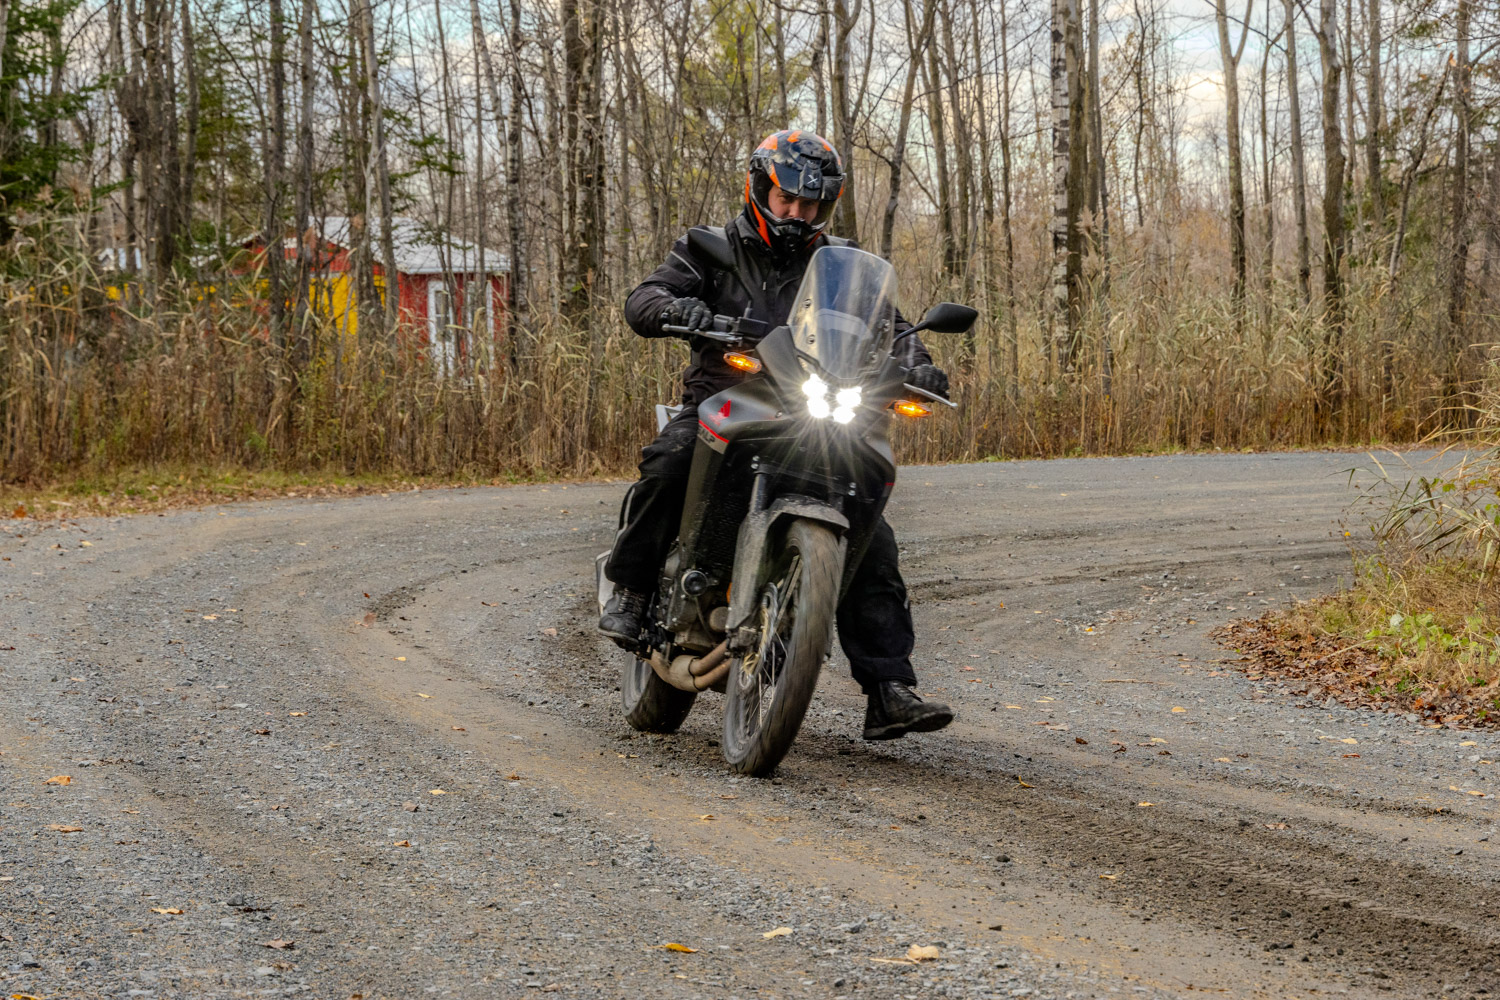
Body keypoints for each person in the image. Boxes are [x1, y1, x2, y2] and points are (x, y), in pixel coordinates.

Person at [598, 129, 953, 742]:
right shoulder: (709, 250)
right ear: (761, 188)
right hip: (728, 397)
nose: (798, 213)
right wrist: (680, 311)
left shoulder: (840, 265)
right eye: (788, 199)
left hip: (814, 406)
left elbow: (890, 327)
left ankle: (889, 685)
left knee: (874, 537)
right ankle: (630, 590)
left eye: (811, 205)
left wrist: (917, 362)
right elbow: (646, 297)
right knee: (670, 459)